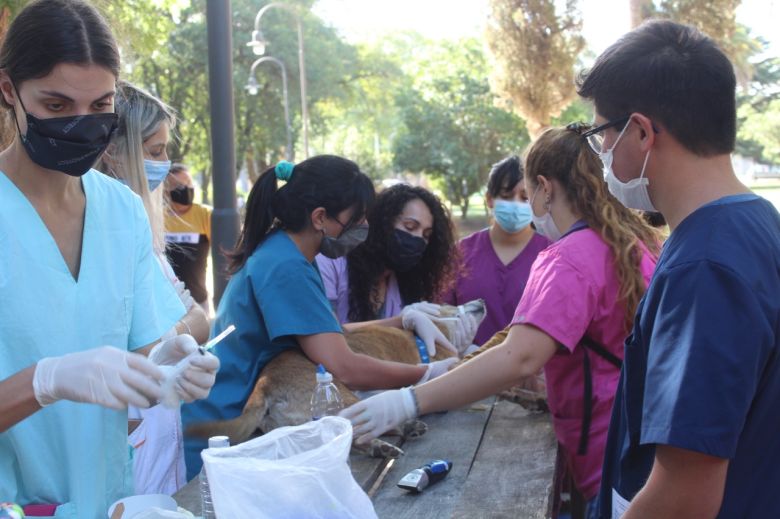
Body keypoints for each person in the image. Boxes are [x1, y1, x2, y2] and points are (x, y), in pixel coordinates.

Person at [340, 126, 661, 516]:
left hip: (607, 452)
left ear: (544, 188)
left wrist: (408, 401)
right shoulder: (629, 244)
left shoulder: (569, 258)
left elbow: (519, 357)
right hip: (641, 442)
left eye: (527, 192)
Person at [0, 1, 218, 517]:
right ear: (9, 91)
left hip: (105, 500)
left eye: (100, 106)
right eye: (56, 106)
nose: (80, 123)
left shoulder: (120, 209)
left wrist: (166, 371)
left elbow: (139, 354)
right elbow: (64, 373)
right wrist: (43, 380)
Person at [576, 20, 780, 518]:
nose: (601, 152)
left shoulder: (704, 267)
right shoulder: (757, 223)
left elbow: (684, 495)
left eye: (601, 133)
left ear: (641, 131)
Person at [181, 157, 457, 479]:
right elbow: (345, 366)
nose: (363, 228)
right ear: (320, 218)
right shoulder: (287, 267)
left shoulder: (289, 252)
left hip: (233, 418)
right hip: (225, 429)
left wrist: (401, 320)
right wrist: (426, 373)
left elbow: (329, 332)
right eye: (356, 219)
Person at [98, 82, 211, 495]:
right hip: (129, 438)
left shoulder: (143, 236)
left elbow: (198, 320)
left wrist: (172, 334)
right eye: (155, 150)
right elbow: (165, 337)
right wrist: (173, 333)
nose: (165, 163)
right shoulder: (105, 235)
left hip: (158, 432)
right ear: (114, 150)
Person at [316, 183, 464, 354]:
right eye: (410, 226)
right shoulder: (330, 261)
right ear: (382, 223)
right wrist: (400, 321)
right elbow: (329, 337)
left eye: (426, 235)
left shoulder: (403, 285)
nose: (417, 239)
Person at [440, 156, 550, 344]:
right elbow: (442, 315)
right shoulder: (461, 253)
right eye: (506, 197)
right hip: (467, 369)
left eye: (524, 197)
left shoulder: (550, 255)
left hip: (530, 370)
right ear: (490, 199)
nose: (515, 204)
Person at [164, 163, 213, 314]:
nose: (186, 188)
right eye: (179, 186)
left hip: (198, 301)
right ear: (166, 190)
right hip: (167, 304)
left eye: (189, 183)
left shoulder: (205, 214)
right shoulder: (158, 217)